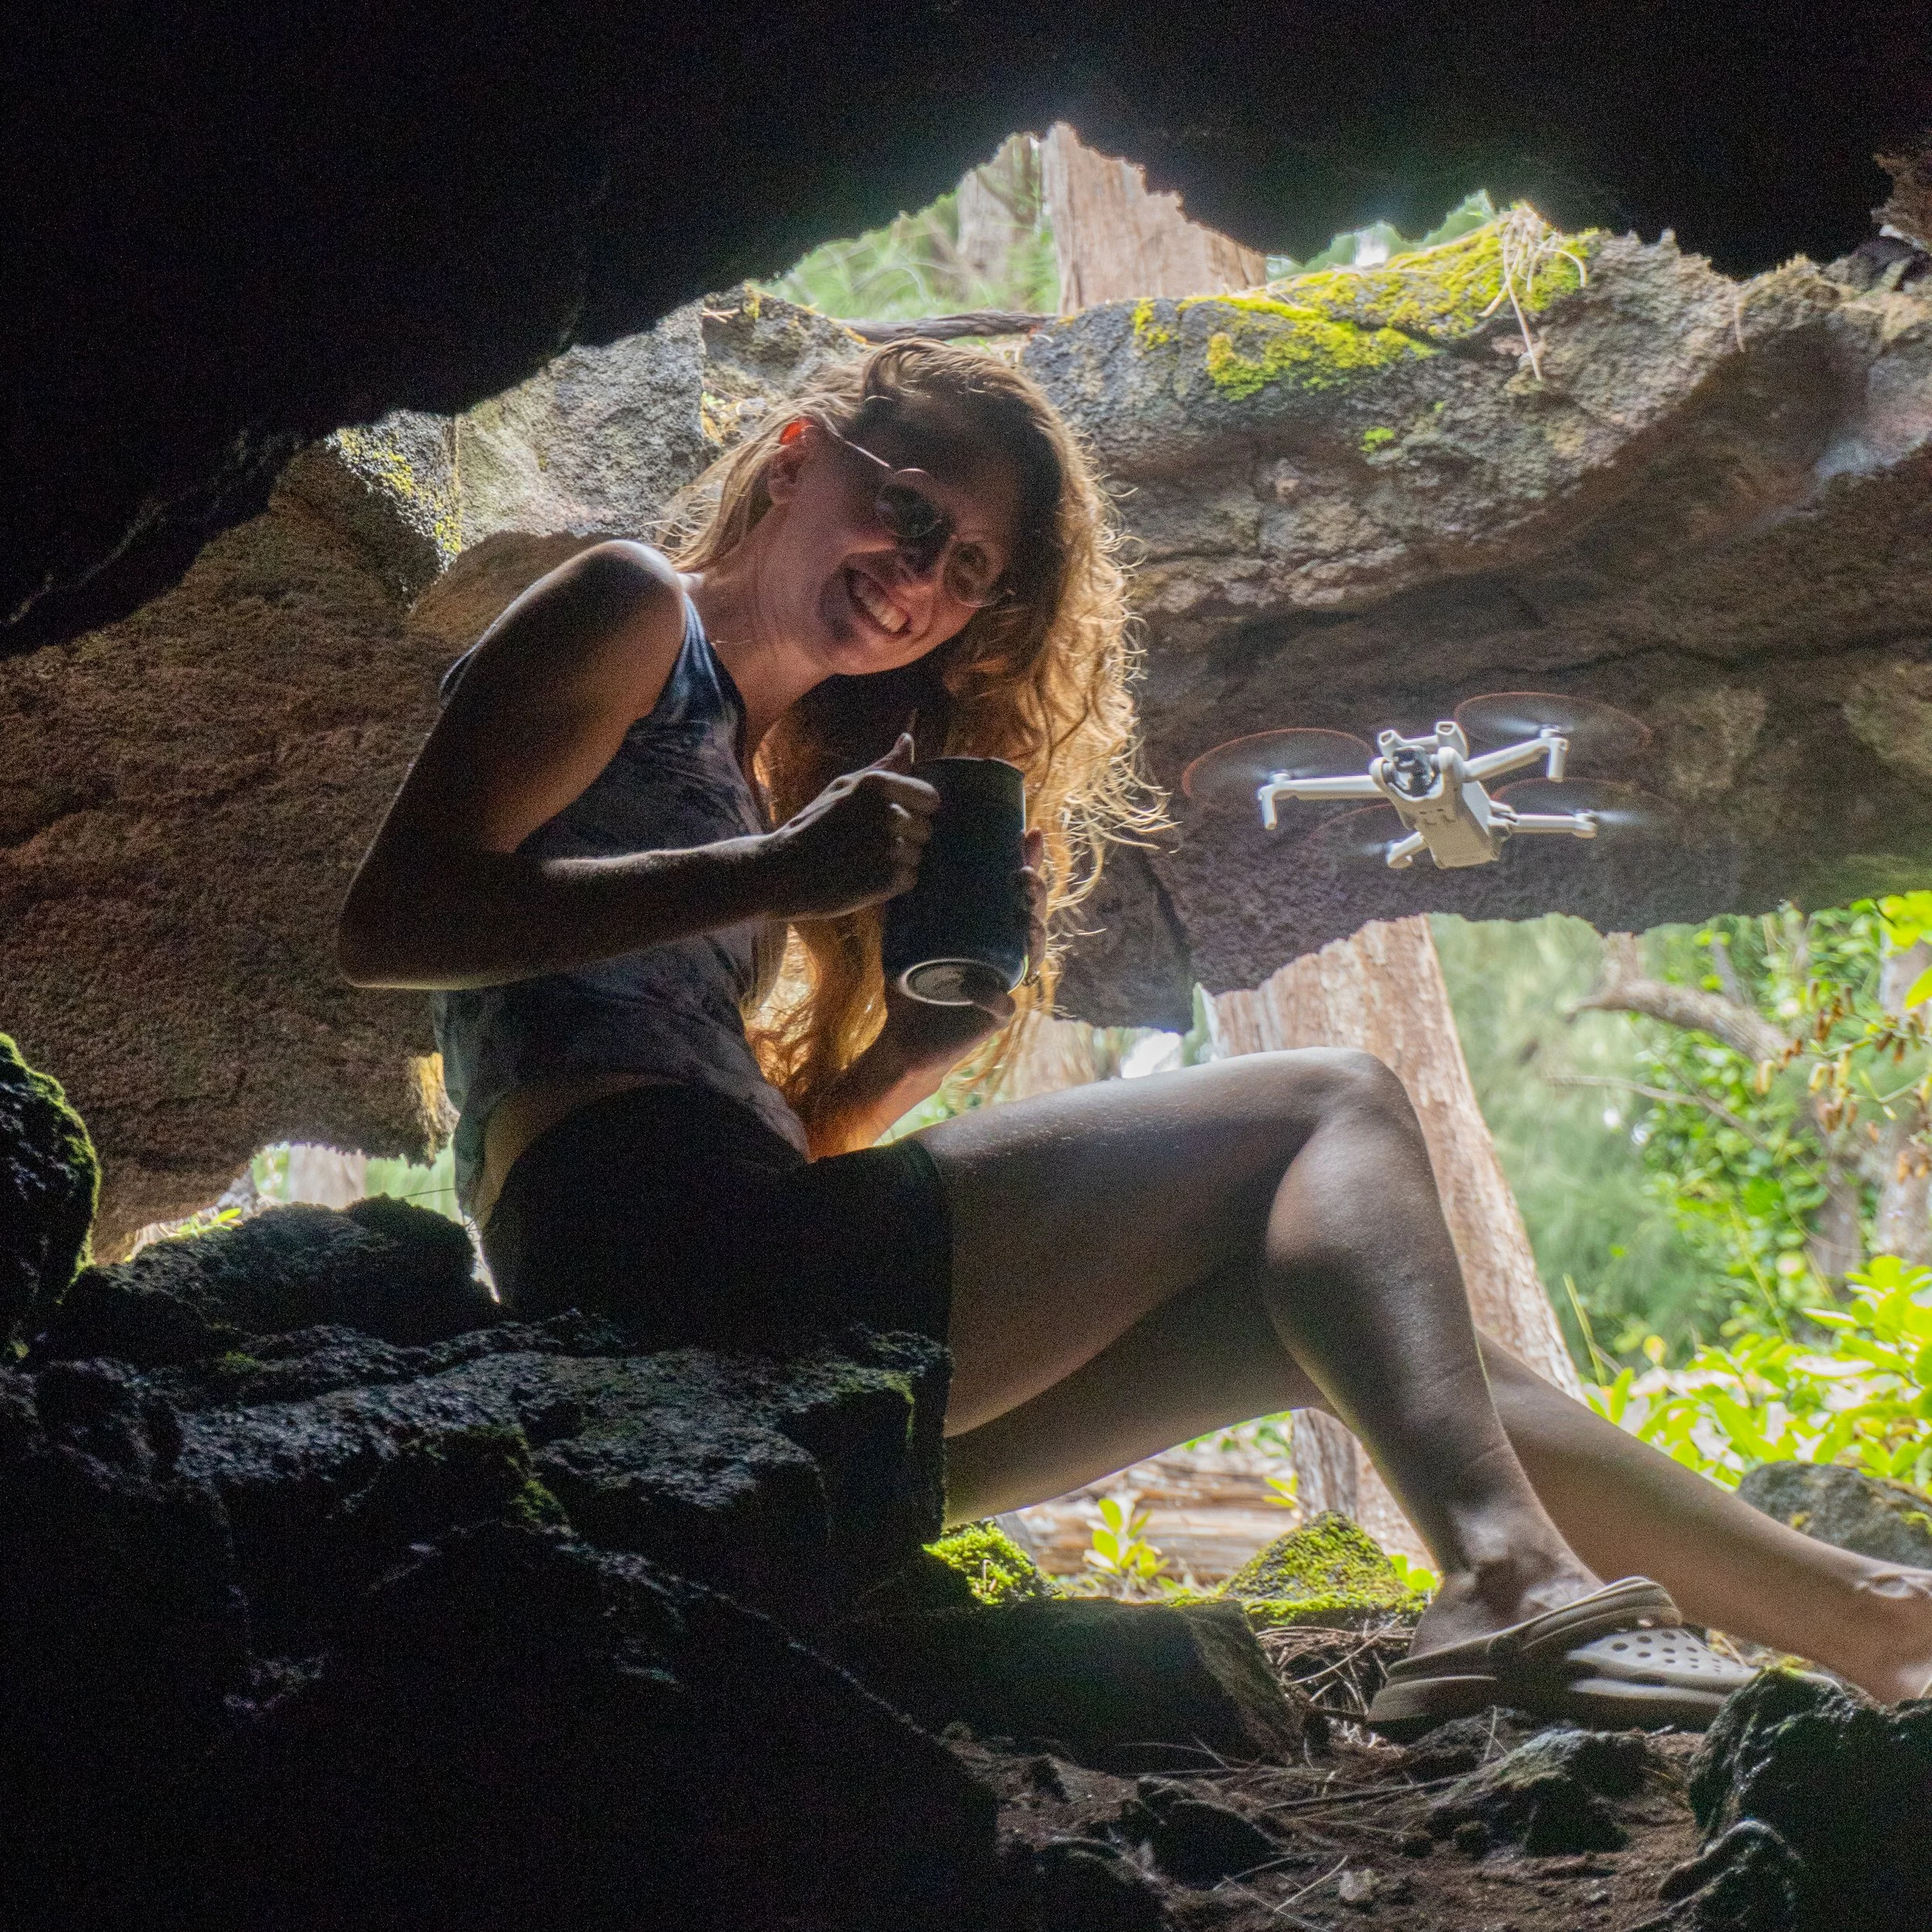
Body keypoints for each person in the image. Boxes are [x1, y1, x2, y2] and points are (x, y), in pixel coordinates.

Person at [339, 339, 1932, 1733]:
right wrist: (771, 870)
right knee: (1331, 1098)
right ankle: (1505, 1578)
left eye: (971, 570)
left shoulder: (756, 764)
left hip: (735, 1327)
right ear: (793, 458)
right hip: (648, 1265)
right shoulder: (630, 609)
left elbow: (781, 1154)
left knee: (1298, 1315)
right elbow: (389, 922)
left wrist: (904, 1051)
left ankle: (1872, 1618)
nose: (923, 576)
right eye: (911, 513)